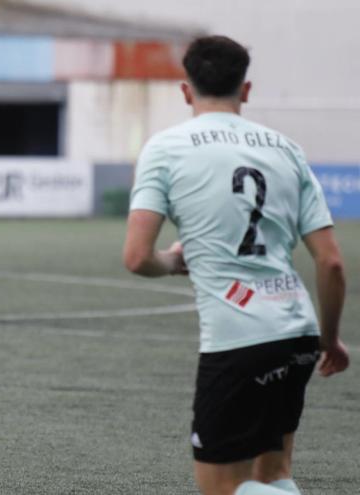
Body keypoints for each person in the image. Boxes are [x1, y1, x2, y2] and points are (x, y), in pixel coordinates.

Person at [123, 35, 349, 495]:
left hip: (237, 338)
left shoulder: (166, 148)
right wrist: (329, 340)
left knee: (222, 488)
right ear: (245, 89)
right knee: (274, 475)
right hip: (298, 335)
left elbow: (137, 257)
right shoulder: (287, 150)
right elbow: (330, 263)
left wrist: (172, 261)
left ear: (186, 91)